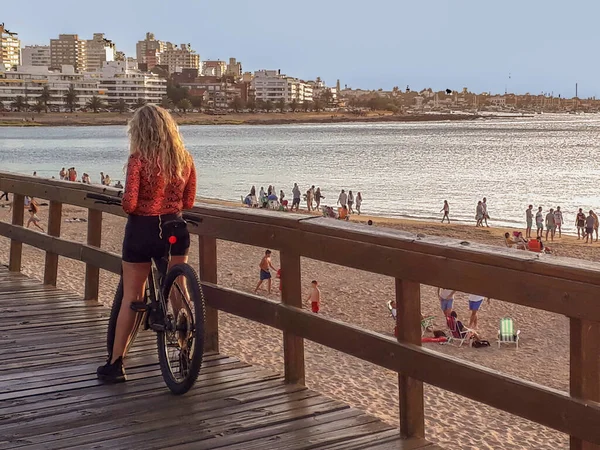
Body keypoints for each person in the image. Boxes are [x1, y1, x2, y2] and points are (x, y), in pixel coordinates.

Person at [96, 104, 197, 384]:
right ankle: (187, 348)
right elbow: (188, 202)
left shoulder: (138, 160)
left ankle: (116, 364)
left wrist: (128, 201)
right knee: (179, 290)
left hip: (143, 230)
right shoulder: (184, 159)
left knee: (133, 297)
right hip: (175, 227)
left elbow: (129, 203)